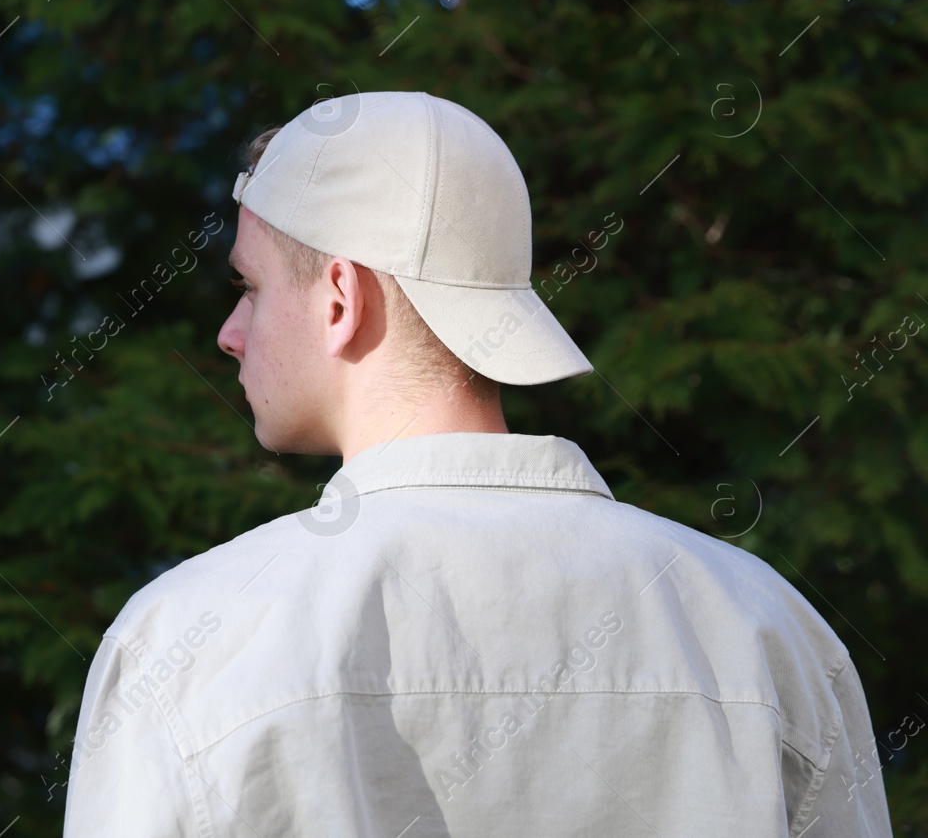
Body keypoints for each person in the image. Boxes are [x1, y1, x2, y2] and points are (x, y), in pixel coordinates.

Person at [61, 91, 891, 837]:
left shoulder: (191, 637)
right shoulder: (767, 627)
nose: (229, 333)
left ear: (340, 300)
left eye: (249, 288)